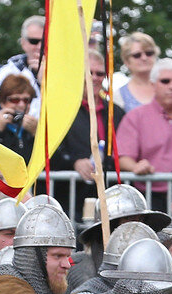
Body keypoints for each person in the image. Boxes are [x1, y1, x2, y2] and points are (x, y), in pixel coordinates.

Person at [116, 58, 172, 212]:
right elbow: (123, 157)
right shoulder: (136, 117)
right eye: (165, 81)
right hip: (153, 195)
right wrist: (136, 167)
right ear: (153, 85)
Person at [51, 50, 125, 214]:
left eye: (100, 73)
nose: (95, 77)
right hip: (70, 194)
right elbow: (51, 149)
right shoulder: (60, 109)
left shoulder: (116, 112)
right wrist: (74, 162)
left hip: (108, 194)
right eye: (89, 72)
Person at [0, 15, 44, 118]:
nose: (39, 47)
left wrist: (45, 82)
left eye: (44, 42)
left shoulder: (65, 71)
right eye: (34, 41)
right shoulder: (7, 72)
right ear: (23, 43)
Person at [0, 74, 36, 163]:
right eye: (15, 100)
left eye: (26, 100)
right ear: (2, 102)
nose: (21, 105)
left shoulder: (35, 128)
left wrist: (36, 135)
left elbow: (57, 162)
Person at [113, 31, 160, 113]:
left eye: (149, 53)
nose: (144, 58)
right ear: (127, 61)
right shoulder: (118, 96)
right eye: (137, 55)